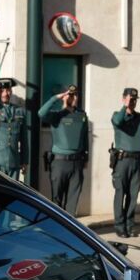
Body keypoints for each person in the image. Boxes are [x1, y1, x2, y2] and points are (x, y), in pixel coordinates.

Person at [40, 84, 89, 215]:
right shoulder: (57, 115)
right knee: (57, 201)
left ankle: (70, 226)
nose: (74, 98)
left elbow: (85, 137)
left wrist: (86, 157)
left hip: (77, 162)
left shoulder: (82, 115)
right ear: (64, 96)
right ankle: (57, 227)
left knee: (72, 202)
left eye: (76, 95)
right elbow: (41, 113)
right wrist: (56, 98)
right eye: (70, 95)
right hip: (59, 163)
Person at [110, 88, 140, 238]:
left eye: (135, 100)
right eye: (130, 99)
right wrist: (125, 106)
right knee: (120, 193)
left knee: (133, 195)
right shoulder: (117, 115)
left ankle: (129, 225)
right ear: (124, 99)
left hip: (137, 161)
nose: (133, 102)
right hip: (122, 160)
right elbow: (117, 122)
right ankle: (119, 226)